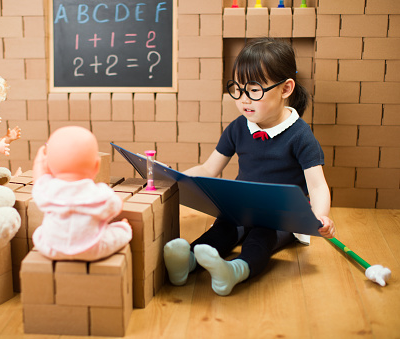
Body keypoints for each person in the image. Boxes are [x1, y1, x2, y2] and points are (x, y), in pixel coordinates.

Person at [164, 38, 336, 296]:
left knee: (261, 237)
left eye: (254, 90)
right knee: (223, 227)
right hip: (242, 208)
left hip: (280, 217)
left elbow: (317, 184)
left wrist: (321, 217)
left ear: (286, 88)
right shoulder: (238, 127)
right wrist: (174, 179)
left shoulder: (300, 135)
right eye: (238, 89)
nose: (244, 99)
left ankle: (236, 270)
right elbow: (209, 169)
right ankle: (187, 261)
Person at [31, 126, 132, 261]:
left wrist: (39, 162)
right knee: (119, 234)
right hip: (91, 248)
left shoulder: (47, 190)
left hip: (52, 247)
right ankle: (124, 228)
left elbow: (39, 181)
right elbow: (115, 207)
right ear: (97, 166)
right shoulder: (100, 194)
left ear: (48, 166)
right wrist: (118, 201)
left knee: (39, 233)